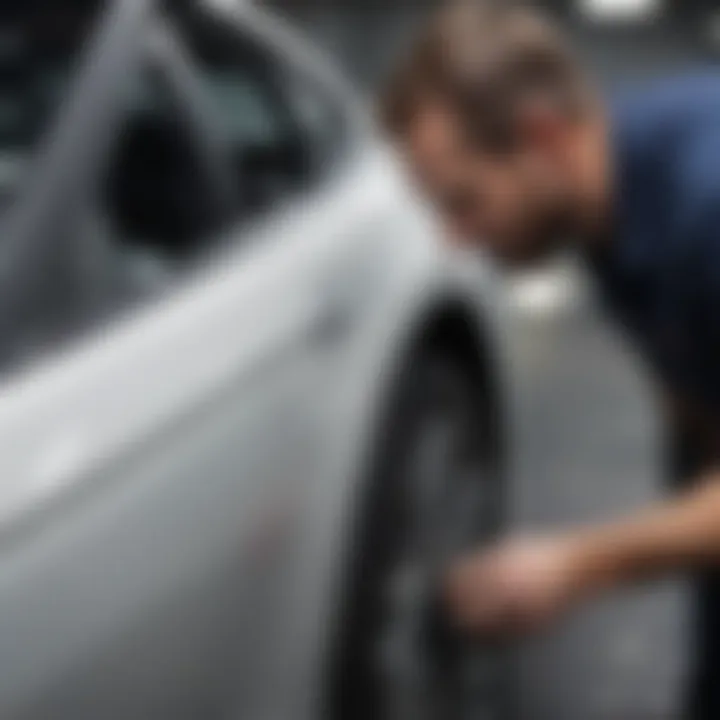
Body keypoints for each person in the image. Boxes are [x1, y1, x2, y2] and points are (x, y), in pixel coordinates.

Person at [380, 1, 720, 717]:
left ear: (542, 139)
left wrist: (575, 565)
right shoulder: (599, 194)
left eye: (465, 202)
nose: (454, 240)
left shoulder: (706, 209)